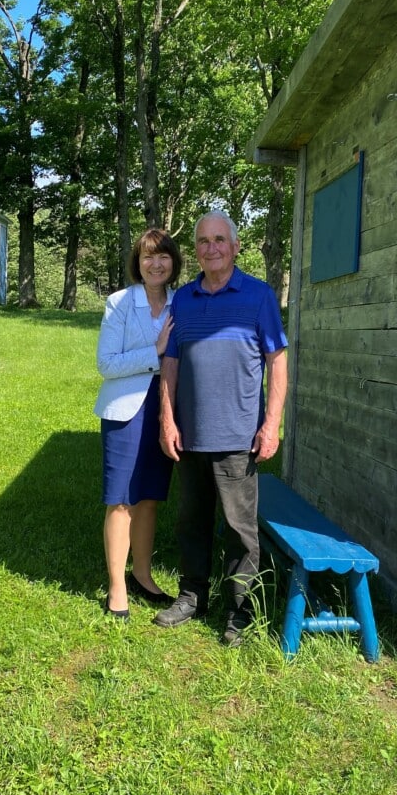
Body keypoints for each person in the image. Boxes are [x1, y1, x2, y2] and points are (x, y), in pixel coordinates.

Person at [155, 210, 288, 645]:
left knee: (238, 529)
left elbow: (277, 364)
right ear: (195, 250)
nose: (210, 248)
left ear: (233, 247)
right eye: (202, 241)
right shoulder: (184, 299)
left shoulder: (259, 296)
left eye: (218, 240)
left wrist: (271, 424)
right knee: (191, 522)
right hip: (190, 436)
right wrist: (167, 417)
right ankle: (192, 596)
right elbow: (170, 362)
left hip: (237, 437)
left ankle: (240, 612)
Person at [94, 228, 182, 619]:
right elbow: (106, 363)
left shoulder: (183, 303)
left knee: (149, 497)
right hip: (124, 413)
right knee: (121, 500)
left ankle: (142, 576)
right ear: (138, 262)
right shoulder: (118, 303)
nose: (155, 263)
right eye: (148, 256)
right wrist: (155, 351)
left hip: (165, 411)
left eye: (162, 256)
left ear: (173, 262)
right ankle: (117, 587)